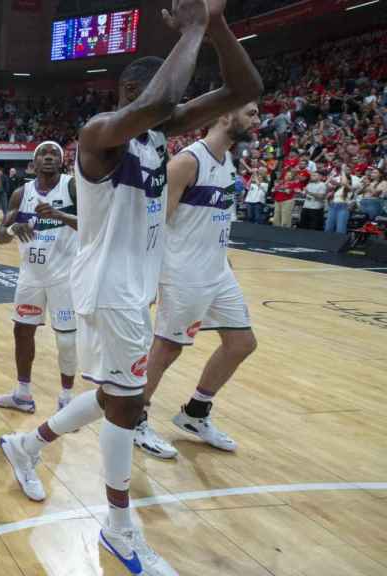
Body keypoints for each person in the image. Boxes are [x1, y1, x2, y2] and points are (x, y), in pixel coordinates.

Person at [0, 0, 263, 573]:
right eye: (157, 96)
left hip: (131, 289)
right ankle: (119, 527)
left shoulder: (157, 136)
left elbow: (246, 87)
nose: (172, 106)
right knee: (127, 406)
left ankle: (27, 445)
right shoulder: (99, 134)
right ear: (131, 94)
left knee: (116, 395)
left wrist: (216, 25)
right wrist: (192, 28)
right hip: (108, 287)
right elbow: (162, 103)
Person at [133, 102, 261, 460]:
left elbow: (215, 219)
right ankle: (134, 419)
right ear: (225, 115)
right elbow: (155, 223)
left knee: (242, 343)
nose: (257, 120)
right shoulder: (188, 162)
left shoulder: (229, 162)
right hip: (184, 272)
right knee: (168, 348)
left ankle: (195, 413)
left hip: (218, 270)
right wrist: (147, 278)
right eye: (250, 113)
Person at [0, 141, 79, 414]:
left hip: (64, 276)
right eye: (43, 153)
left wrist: (59, 215)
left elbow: (93, 225)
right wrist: (13, 229)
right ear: (34, 162)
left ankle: (66, 398)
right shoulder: (21, 193)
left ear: (62, 161)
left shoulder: (72, 187)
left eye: (54, 154)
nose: (48, 157)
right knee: (22, 332)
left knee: (66, 340)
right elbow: (1, 236)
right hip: (30, 276)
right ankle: (23, 394)